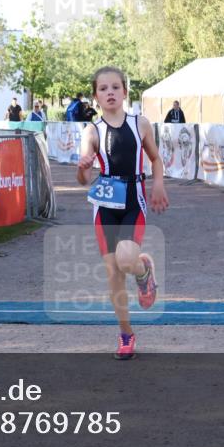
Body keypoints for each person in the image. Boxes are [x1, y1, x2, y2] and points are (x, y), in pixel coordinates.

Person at [77, 66, 169, 360]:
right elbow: (81, 179)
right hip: (104, 205)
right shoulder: (91, 130)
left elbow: (156, 159)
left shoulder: (140, 123)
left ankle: (144, 273)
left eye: (115, 87)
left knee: (127, 259)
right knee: (113, 272)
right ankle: (126, 334)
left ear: (125, 92)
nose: (110, 93)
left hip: (133, 199)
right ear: (95, 96)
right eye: (103, 89)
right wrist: (82, 167)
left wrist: (158, 185)